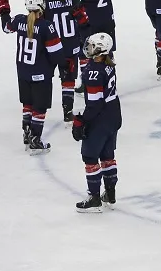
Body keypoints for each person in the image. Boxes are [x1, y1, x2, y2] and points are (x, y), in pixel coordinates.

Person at [0, 0, 66, 155]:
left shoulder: (20, 20)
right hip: (41, 75)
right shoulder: (46, 26)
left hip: (23, 73)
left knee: (27, 104)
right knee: (40, 108)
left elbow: (6, 27)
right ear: (42, 7)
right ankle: (35, 140)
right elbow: (56, 53)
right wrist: (66, 65)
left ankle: (27, 133)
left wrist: (4, 11)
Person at [71, 32, 122, 213]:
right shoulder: (109, 65)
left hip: (100, 119)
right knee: (108, 155)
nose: (88, 48)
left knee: (90, 156)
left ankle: (94, 198)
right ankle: (110, 193)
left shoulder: (93, 71)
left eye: (92, 46)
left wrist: (81, 121)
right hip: (113, 116)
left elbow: (94, 103)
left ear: (100, 50)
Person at [43, 0, 80, 122]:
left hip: (52, 48)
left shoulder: (44, 1)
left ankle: (38, 111)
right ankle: (68, 111)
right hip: (71, 46)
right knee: (68, 81)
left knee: (45, 79)